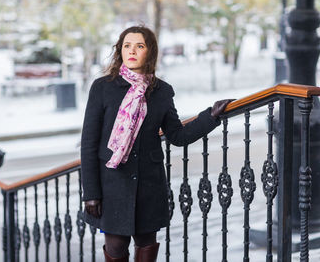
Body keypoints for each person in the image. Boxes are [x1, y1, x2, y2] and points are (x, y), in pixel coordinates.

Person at [80, 26, 232, 262]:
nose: (132, 51)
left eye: (139, 46)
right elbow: (89, 144)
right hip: (112, 184)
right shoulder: (103, 87)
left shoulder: (161, 91)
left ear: (149, 52)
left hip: (148, 184)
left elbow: (177, 136)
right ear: (120, 50)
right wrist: (91, 193)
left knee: (146, 243)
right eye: (127, 45)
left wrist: (210, 116)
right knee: (116, 245)